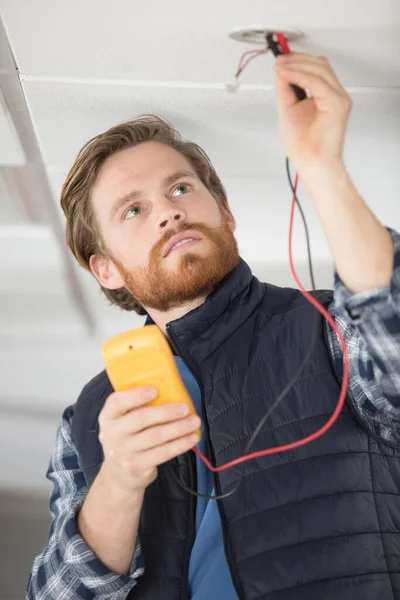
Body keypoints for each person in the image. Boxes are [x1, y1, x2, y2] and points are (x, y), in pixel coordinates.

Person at [27, 52, 400, 600]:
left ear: (225, 213)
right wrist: (120, 480)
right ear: (105, 269)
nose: (167, 212)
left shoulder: (328, 328)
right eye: (132, 210)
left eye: (180, 188)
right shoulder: (88, 418)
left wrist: (321, 165)